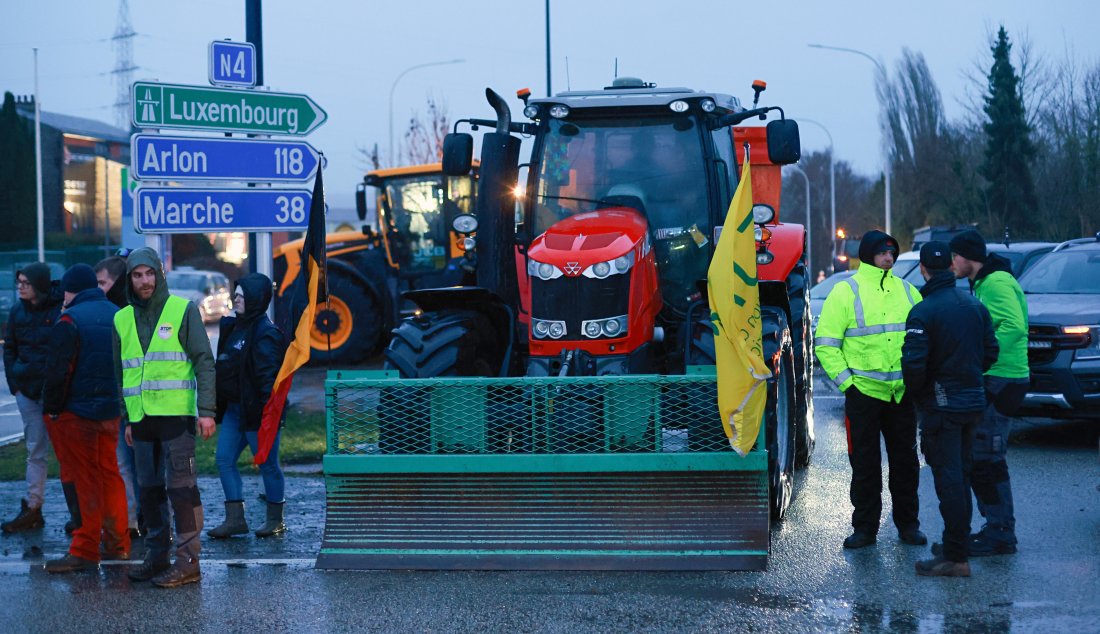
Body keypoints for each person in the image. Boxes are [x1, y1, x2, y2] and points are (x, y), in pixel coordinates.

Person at [815, 230, 927, 549]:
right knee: (865, 466)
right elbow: (826, 344)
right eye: (882, 253)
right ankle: (865, 529)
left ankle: (909, 526)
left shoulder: (907, 291)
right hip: (863, 394)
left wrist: (915, 381)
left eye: (892, 253)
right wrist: (848, 385)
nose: (888, 258)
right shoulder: (845, 291)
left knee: (906, 465)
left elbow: (923, 338)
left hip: (900, 394)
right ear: (868, 255)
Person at [113, 248, 216, 588]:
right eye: (137, 275)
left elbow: (204, 361)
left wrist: (206, 412)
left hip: (176, 418)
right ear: (129, 280)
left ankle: (189, 562)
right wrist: (128, 419)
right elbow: (121, 374)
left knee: (182, 490)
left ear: (159, 275)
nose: (144, 281)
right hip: (142, 420)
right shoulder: (121, 319)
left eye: (149, 273)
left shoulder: (183, 310)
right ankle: (157, 557)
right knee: (149, 491)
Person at [902, 243, 999, 577]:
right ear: (950, 268)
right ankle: (956, 547)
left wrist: (921, 394)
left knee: (950, 482)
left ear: (923, 269)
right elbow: (991, 352)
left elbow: (914, 366)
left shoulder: (923, 311)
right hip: (972, 402)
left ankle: (956, 558)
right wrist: (968, 377)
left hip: (941, 407)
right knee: (962, 476)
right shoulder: (974, 305)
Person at [41, 265, 131, 572]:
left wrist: (53, 408)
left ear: (70, 290)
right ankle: (118, 544)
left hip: (77, 412)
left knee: (85, 480)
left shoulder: (69, 320)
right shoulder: (119, 315)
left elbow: (58, 372)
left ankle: (84, 549)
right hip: (111, 411)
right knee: (110, 474)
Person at [949, 229, 1028, 555]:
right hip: (999, 376)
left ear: (968, 257)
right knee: (982, 457)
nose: (952, 263)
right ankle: (996, 527)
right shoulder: (984, 283)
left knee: (987, 459)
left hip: (1002, 377)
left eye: (955, 257)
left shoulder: (995, 283)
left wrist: (981, 356)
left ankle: (1000, 532)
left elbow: (1014, 326)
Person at [208, 273, 288, 540]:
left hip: (258, 414)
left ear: (256, 299)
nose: (236, 298)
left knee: (267, 464)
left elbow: (270, 380)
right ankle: (235, 520)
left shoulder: (267, 334)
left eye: (243, 295)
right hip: (234, 410)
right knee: (224, 459)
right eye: (237, 293)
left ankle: (275, 520)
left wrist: (270, 418)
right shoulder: (234, 327)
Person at [1, 263, 64, 533]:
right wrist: (15, 384)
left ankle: (79, 513)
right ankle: (33, 506)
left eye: (26, 283)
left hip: (55, 392)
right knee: (35, 450)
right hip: (27, 390)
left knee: (67, 453)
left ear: (38, 284)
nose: (20, 287)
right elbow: (10, 348)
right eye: (19, 283)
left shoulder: (59, 309)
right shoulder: (18, 311)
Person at [95, 255, 141, 541]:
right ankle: (131, 518)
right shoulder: (113, 312)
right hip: (119, 400)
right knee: (125, 464)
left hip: (135, 402)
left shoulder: (125, 314)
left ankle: (138, 517)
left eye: (103, 283)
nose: (98, 289)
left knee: (139, 464)